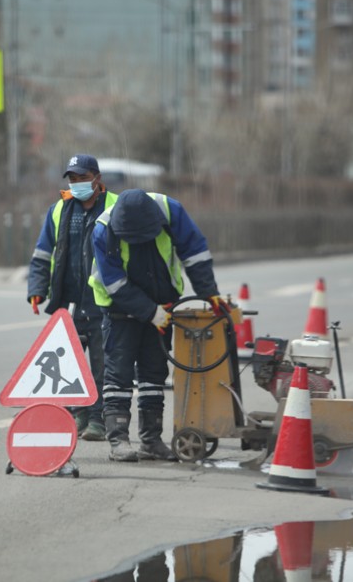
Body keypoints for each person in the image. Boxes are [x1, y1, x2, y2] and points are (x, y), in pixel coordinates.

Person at [89, 189, 227, 462]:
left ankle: (151, 441)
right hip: (120, 311)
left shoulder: (171, 212)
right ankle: (118, 440)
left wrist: (208, 291)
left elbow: (195, 253)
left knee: (154, 374)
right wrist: (151, 313)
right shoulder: (103, 230)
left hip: (163, 306)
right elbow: (114, 282)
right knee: (118, 375)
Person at [27, 154, 119, 441]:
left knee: (102, 365)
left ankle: (98, 419)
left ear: (97, 178)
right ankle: (78, 414)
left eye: (82, 178)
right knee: (68, 365)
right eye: (73, 179)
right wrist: (37, 289)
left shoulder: (116, 206)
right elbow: (43, 252)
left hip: (104, 301)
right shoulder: (60, 210)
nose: (77, 184)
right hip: (69, 302)